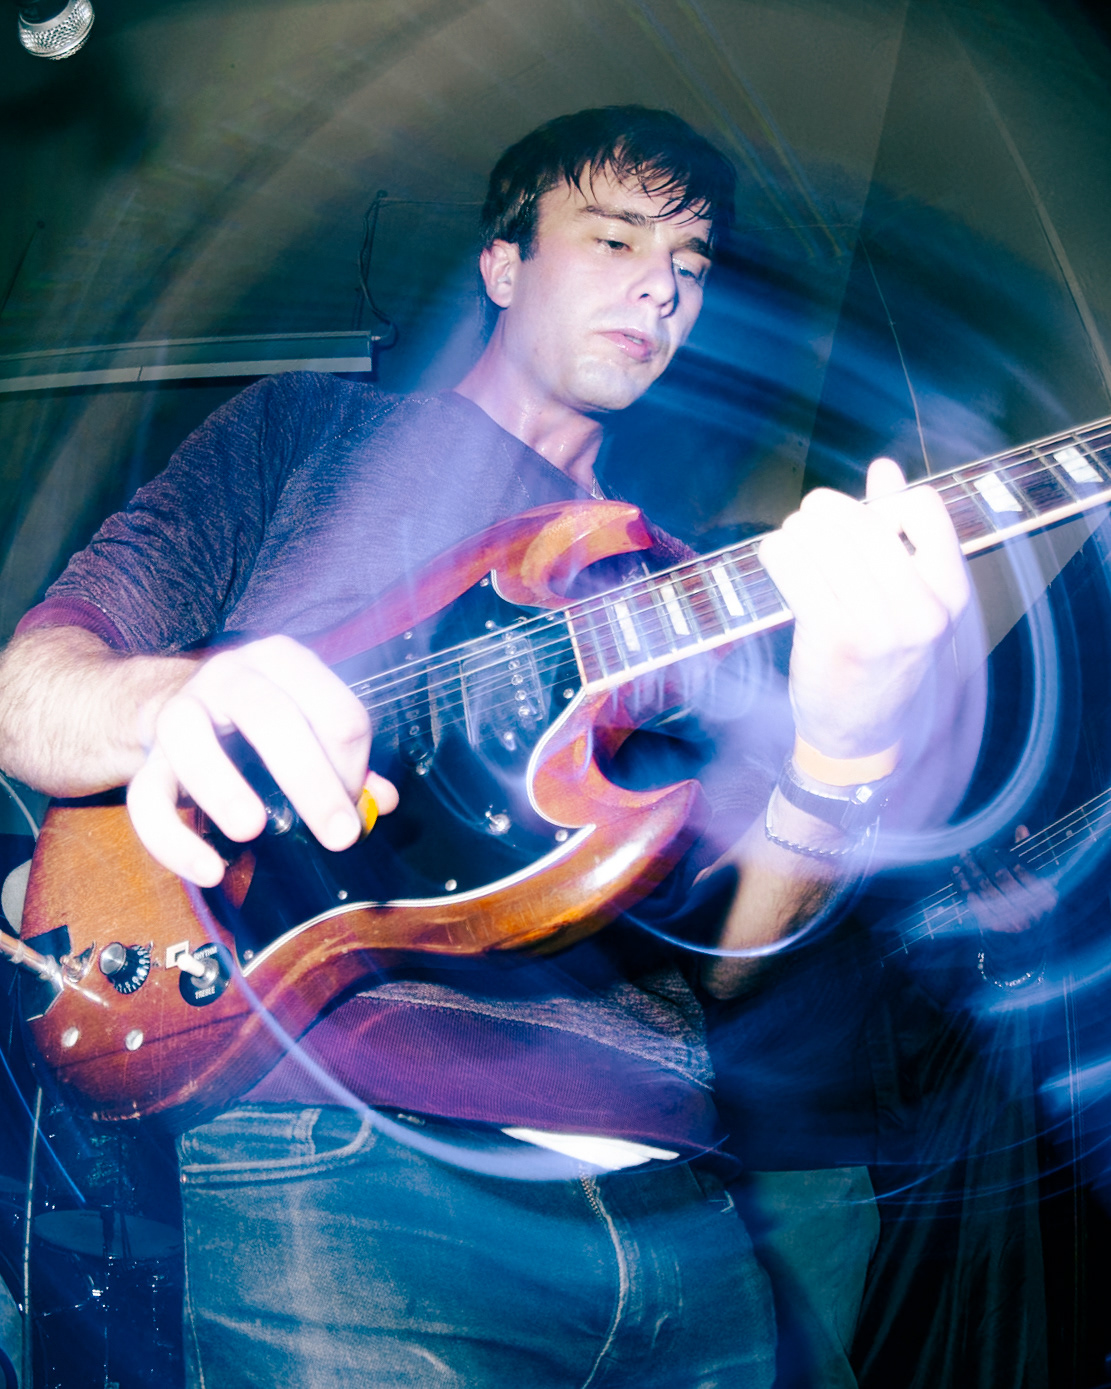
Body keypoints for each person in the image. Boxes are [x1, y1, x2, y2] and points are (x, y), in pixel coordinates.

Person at [0, 106, 979, 1387]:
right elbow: (28, 692)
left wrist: (846, 748)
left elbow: (738, 963)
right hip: (354, 1180)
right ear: (503, 265)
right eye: (616, 238)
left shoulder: (690, 588)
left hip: (679, 1213)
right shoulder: (307, 432)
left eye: (688, 265)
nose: (662, 288)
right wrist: (169, 703)